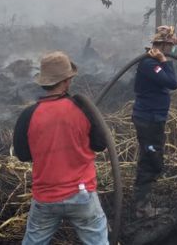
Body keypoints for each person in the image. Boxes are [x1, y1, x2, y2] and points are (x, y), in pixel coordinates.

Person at [13, 51, 109, 245]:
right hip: (82, 194)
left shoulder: (28, 115)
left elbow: (22, 155)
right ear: (66, 81)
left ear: (44, 82)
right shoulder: (83, 109)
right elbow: (100, 144)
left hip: (45, 198)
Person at [132, 25, 177, 217]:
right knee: (151, 160)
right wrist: (164, 60)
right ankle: (141, 207)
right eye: (170, 46)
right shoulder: (150, 64)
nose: (172, 50)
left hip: (153, 119)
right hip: (148, 120)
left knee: (151, 158)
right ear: (162, 45)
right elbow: (172, 83)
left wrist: (164, 60)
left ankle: (142, 202)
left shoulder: (155, 63)